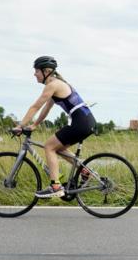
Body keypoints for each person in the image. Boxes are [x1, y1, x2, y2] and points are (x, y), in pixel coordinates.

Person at [13, 56, 96, 198]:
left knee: (49, 146)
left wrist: (20, 125)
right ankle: (84, 171)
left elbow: (35, 106)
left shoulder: (53, 85)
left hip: (80, 122)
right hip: (86, 122)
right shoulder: (57, 84)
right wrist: (34, 125)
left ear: (46, 71)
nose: (34, 74)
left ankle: (56, 187)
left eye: (36, 71)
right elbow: (46, 109)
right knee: (59, 148)